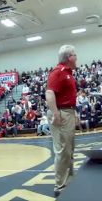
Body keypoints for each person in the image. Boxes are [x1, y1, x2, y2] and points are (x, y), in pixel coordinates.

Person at [46, 45, 78, 197]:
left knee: (69, 150)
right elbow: (49, 92)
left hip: (68, 112)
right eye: (75, 55)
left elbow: (68, 96)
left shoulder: (69, 73)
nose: (77, 57)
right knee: (62, 151)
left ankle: (69, 182)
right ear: (68, 57)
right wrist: (55, 114)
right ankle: (60, 187)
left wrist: (74, 111)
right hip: (62, 113)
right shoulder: (58, 72)